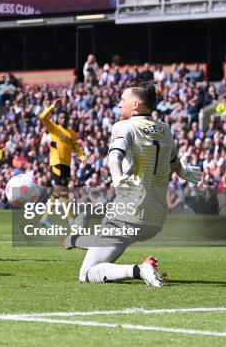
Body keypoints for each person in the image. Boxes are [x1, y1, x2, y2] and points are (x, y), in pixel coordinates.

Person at [65, 81, 202, 287]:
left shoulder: (124, 126)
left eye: (123, 100)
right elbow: (176, 164)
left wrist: (117, 178)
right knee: (102, 226)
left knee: (86, 273)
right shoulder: (165, 130)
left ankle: (140, 270)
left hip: (128, 214)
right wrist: (186, 173)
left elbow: (115, 157)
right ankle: (77, 239)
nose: (119, 104)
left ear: (136, 104)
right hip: (155, 220)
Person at [39, 99, 85, 227]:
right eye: (61, 117)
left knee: (61, 192)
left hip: (67, 165)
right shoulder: (54, 128)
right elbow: (42, 117)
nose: (63, 119)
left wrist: (82, 158)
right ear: (58, 119)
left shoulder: (71, 134)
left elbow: (76, 148)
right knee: (61, 190)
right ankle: (71, 221)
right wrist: (53, 106)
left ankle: (45, 217)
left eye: (65, 117)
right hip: (56, 163)